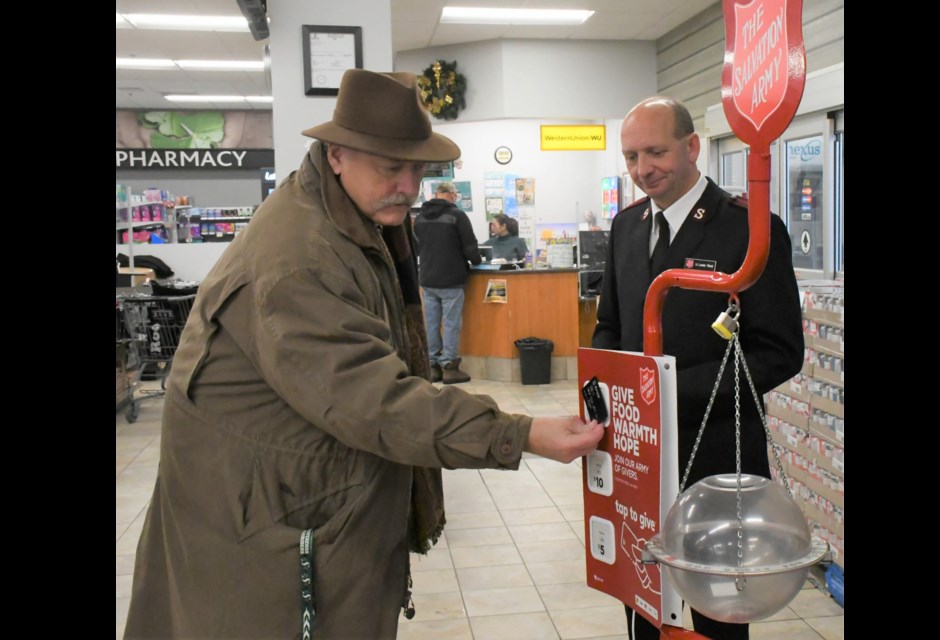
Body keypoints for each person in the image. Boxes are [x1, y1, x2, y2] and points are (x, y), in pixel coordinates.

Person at [123, 69, 604, 640]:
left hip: (285, 506)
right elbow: (374, 399)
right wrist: (519, 434)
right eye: (390, 166)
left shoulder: (347, 218)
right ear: (336, 156)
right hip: (264, 531)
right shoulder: (297, 259)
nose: (408, 184)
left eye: (417, 168)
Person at [591, 96, 804, 640]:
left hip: (717, 454)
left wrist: (668, 394)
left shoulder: (749, 231)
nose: (643, 170)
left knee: (716, 612)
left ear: (692, 146)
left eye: (656, 152)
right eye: (632, 156)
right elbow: (611, 328)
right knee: (642, 599)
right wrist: (607, 402)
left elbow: (779, 350)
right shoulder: (626, 228)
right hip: (640, 456)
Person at [414, 181, 481, 384]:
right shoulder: (457, 216)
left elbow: (416, 246)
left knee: (431, 323)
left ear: (436, 194)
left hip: (427, 277)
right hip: (451, 278)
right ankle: (450, 367)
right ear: (451, 195)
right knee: (451, 324)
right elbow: (470, 246)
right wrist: (477, 261)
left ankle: (432, 367)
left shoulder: (420, 217)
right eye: (455, 195)